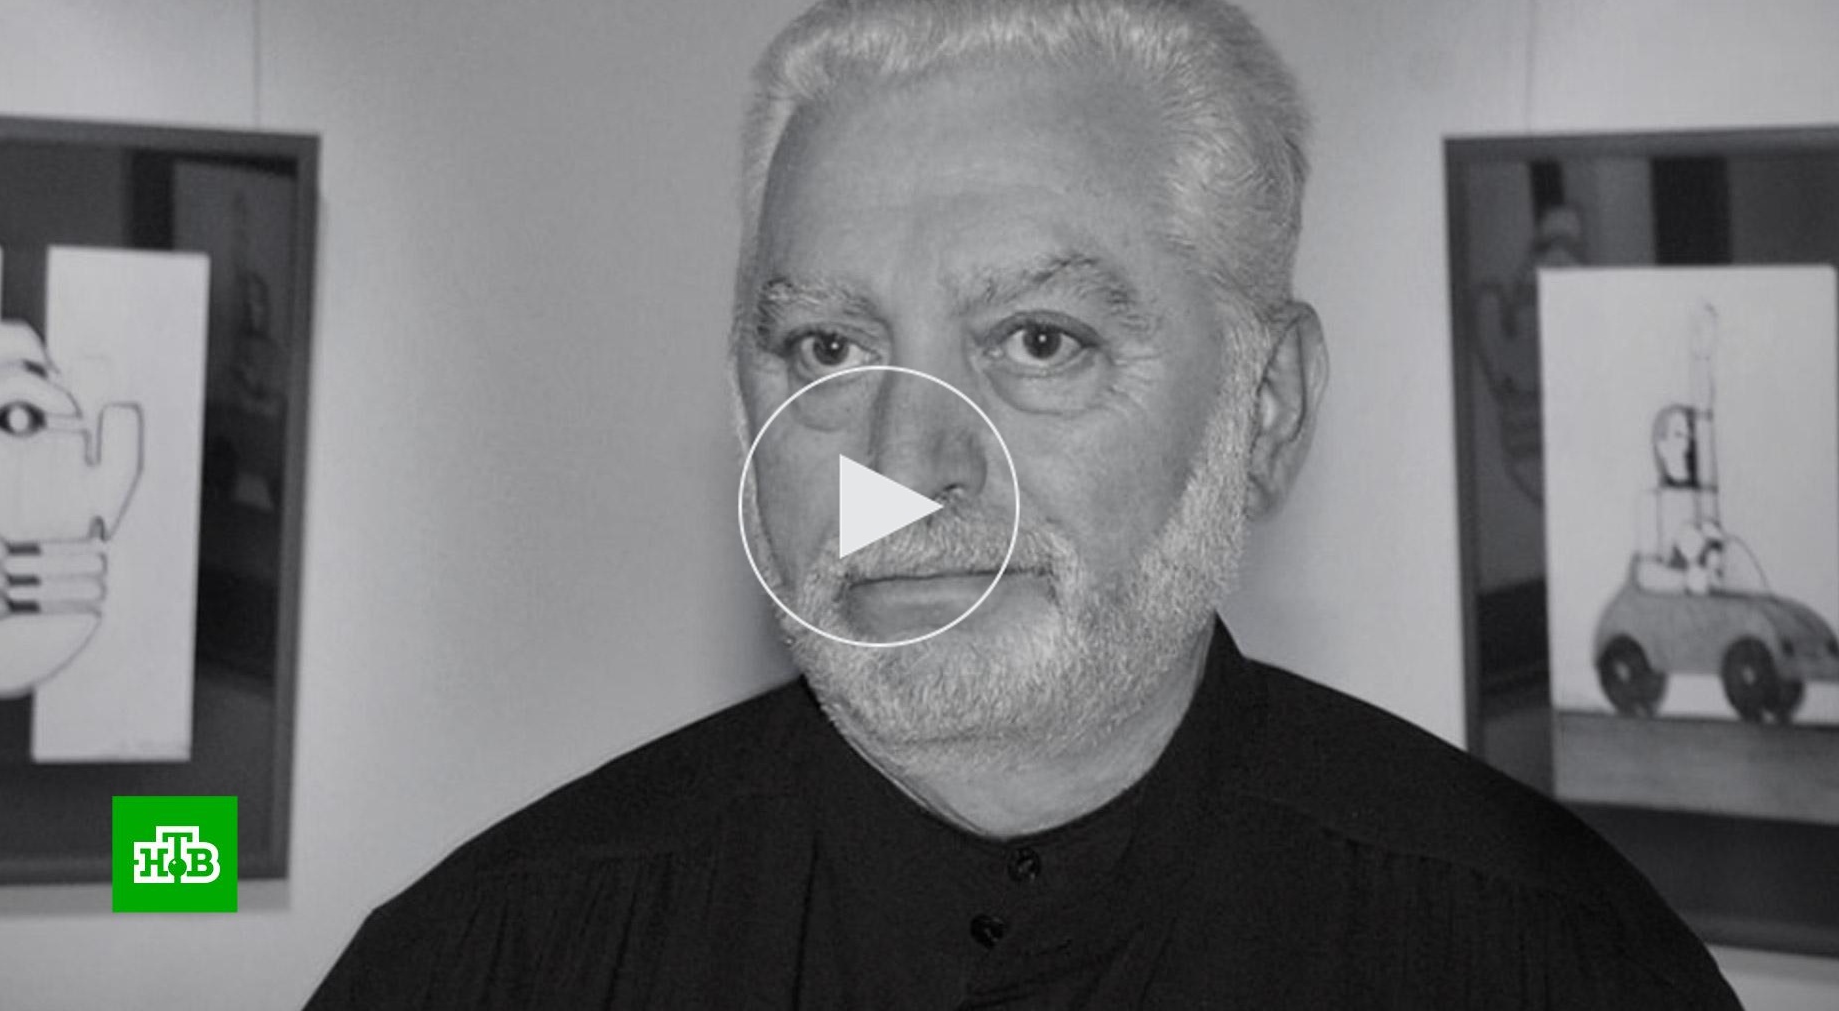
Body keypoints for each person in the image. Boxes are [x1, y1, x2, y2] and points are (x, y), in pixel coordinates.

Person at [308, 1, 1739, 1006]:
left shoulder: (1559, 966)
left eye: (1039, 342)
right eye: (829, 349)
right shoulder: (489, 963)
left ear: (1266, 410)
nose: (903, 463)